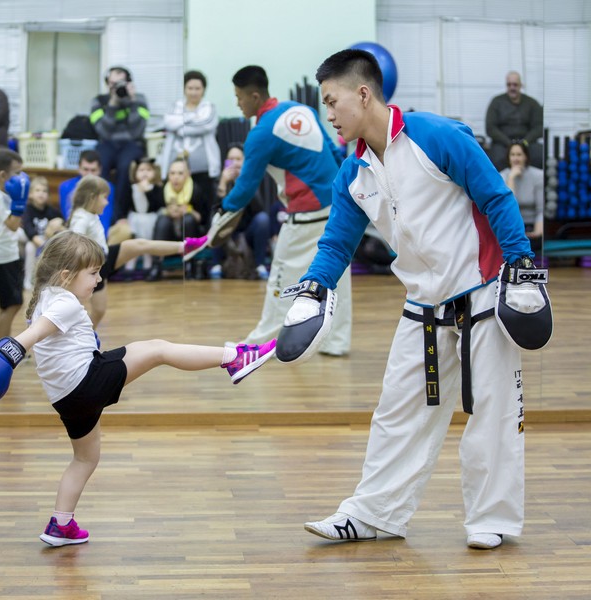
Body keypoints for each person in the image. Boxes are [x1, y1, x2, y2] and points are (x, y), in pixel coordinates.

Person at [294, 49, 535, 550]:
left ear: (363, 93)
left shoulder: (436, 136)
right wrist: (314, 289)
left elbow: (495, 196)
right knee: (396, 413)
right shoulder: (352, 174)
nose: (329, 115)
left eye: (332, 101)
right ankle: (373, 514)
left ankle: (491, 519)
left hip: (484, 294)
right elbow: (336, 244)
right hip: (422, 307)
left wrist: (523, 266)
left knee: (491, 412)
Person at [0, 230, 277, 546]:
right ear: (66, 275)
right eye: (93, 273)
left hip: (66, 399)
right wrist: (7, 354)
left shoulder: (44, 297)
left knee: (85, 459)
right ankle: (235, 358)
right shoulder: (65, 303)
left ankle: (61, 524)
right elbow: (34, 335)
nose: (99, 280)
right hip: (87, 381)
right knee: (157, 349)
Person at [218, 65, 351, 356]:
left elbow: (245, 187)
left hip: (307, 213)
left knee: (280, 274)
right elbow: (332, 150)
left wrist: (223, 208)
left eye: (239, 97)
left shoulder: (261, 132)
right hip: (338, 204)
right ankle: (337, 343)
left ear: (254, 96)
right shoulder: (300, 109)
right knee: (337, 276)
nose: (237, 103)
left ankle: (259, 344)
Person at [68, 175, 206, 327]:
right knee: (99, 310)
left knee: (139, 245)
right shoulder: (81, 217)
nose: (107, 202)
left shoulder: (90, 213)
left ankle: (184, 246)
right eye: (104, 198)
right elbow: (74, 243)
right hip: (94, 266)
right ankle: (85, 336)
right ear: (92, 198)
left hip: (104, 257)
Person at [90, 66, 149, 223]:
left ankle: (119, 216)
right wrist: (113, 103)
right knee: (99, 167)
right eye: (112, 83)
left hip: (131, 144)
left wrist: (132, 101)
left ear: (128, 83)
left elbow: (137, 130)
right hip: (107, 143)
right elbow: (104, 132)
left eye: (120, 83)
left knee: (125, 168)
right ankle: (98, 211)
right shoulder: (99, 101)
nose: (116, 87)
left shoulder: (139, 99)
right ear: (107, 84)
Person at [158, 70, 221, 209]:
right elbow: (168, 122)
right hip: (175, 168)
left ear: (204, 90)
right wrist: (193, 117)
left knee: (203, 205)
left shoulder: (209, 107)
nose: (193, 92)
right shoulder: (175, 106)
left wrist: (180, 125)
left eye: (197, 88)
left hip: (203, 169)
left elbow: (206, 124)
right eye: (190, 88)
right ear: (184, 89)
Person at [0, 148, 27, 344]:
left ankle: (2, 342)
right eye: (17, 172)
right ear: (2, 175)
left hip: (8, 254)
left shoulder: (4, 194)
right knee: (13, 303)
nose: (22, 177)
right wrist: (20, 203)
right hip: (1, 257)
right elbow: (12, 225)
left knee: (10, 303)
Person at [210, 143, 271, 280]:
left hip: (247, 228)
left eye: (238, 159)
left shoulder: (253, 178)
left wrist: (243, 181)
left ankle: (260, 264)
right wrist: (223, 184)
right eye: (231, 159)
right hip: (226, 230)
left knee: (263, 219)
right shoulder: (218, 181)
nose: (234, 163)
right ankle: (216, 265)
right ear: (225, 162)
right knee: (214, 219)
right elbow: (215, 209)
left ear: (245, 161)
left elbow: (258, 208)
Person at [149, 158, 208, 281]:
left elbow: (204, 220)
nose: (176, 177)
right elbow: (154, 211)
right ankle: (156, 265)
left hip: (191, 232)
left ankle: (189, 264)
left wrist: (189, 211)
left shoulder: (196, 190)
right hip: (169, 233)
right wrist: (167, 212)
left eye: (180, 173)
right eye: (172, 173)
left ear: (188, 174)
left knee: (188, 220)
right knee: (162, 220)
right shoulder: (162, 190)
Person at [485, 71, 543, 170]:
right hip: (503, 143)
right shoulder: (496, 102)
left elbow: (538, 127)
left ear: (521, 85)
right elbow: (490, 128)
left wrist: (525, 142)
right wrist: (509, 143)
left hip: (527, 142)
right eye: (509, 85)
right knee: (496, 159)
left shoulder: (532, 103)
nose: (512, 87)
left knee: (539, 156)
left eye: (515, 84)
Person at [58, 149, 115, 236]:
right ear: (79, 168)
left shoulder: (107, 187)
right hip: (74, 231)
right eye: (85, 169)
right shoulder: (65, 187)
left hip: (98, 231)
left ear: (100, 170)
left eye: (93, 170)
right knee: (55, 224)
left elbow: (105, 216)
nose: (89, 174)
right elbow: (68, 215)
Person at [22, 175, 65, 289]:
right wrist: (39, 243)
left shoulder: (51, 211)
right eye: (37, 190)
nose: (41, 193)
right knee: (30, 247)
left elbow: (63, 221)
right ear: (31, 194)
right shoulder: (28, 209)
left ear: (48, 195)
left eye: (44, 191)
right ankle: (28, 280)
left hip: (46, 240)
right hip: (32, 239)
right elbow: (28, 228)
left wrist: (59, 222)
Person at [500, 141, 543, 250]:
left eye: (519, 154)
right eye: (512, 155)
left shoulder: (538, 175)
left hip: (531, 226)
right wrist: (511, 179)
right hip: (511, 227)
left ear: (526, 157)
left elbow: (540, 210)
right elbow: (508, 207)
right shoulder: (502, 176)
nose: (515, 158)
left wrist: (537, 233)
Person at [123, 157, 164, 272]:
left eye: (148, 170)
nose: (145, 173)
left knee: (148, 243)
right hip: (135, 218)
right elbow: (125, 203)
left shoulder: (156, 188)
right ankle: (130, 266)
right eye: (141, 170)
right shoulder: (132, 188)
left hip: (150, 219)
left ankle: (148, 265)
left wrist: (148, 191)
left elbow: (158, 204)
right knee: (134, 242)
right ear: (135, 173)